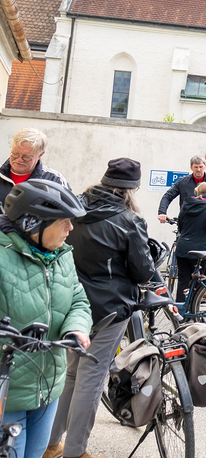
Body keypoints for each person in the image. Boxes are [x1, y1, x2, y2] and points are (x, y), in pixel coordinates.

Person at [46, 159, 157, 458]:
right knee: (91, 379)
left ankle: (51, 444)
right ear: (132, 189)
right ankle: (75, 452)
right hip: (109, 309)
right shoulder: (129, 220)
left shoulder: (75, 207)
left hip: (71, 303)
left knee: (71, 374)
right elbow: (143, 272)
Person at [0, 180, 92, 458]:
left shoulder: (62, 256)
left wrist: (76, 328)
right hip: (9, 388)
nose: (71, 228)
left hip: (48, 384)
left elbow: (78, 300)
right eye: (64, 221)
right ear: (32, 223)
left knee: (38, 452)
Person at [1, 128, 69, 207]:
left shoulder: (54, 179)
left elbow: (68, 211)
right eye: (15, 153)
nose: (19, 160)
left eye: (26, 156)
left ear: (40, 155)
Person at [157, 156, 206, 223]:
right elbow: (168, 196)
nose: (198, 169)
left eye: (201, 167)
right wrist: (162, 212)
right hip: (187, 221)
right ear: (191, 168)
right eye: (196, 167)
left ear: (205, 167)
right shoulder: (182, 182)